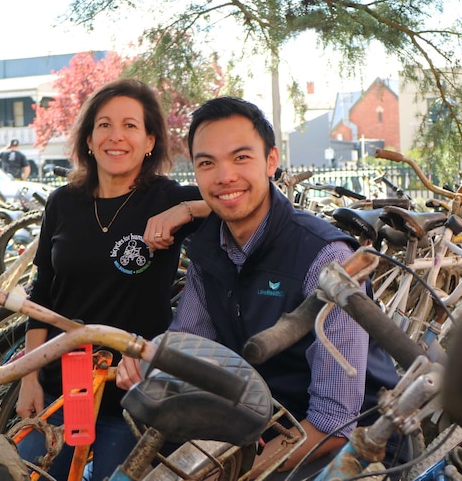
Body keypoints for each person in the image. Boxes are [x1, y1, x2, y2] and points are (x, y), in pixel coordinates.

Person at [117, 96, 400, 478]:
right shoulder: (209, 248)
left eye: (240, 158)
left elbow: (335, 421)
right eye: (207, 163)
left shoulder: (324, 256)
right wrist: (147, 357)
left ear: (271, 161)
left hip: (343, 442)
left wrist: (239, 473)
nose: (224, 176)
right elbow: (189, 339)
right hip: (255, 422)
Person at [16, 78, 209, 481]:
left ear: (150, 140)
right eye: (104, 125)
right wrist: (29, 376)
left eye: (130, 126)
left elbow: (242, 198)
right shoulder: (62, 202)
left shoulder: (166, 197)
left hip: (132, 392)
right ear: (88, 139)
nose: (115, 136)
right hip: (62, 384)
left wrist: (186, 210)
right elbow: (43, 293)